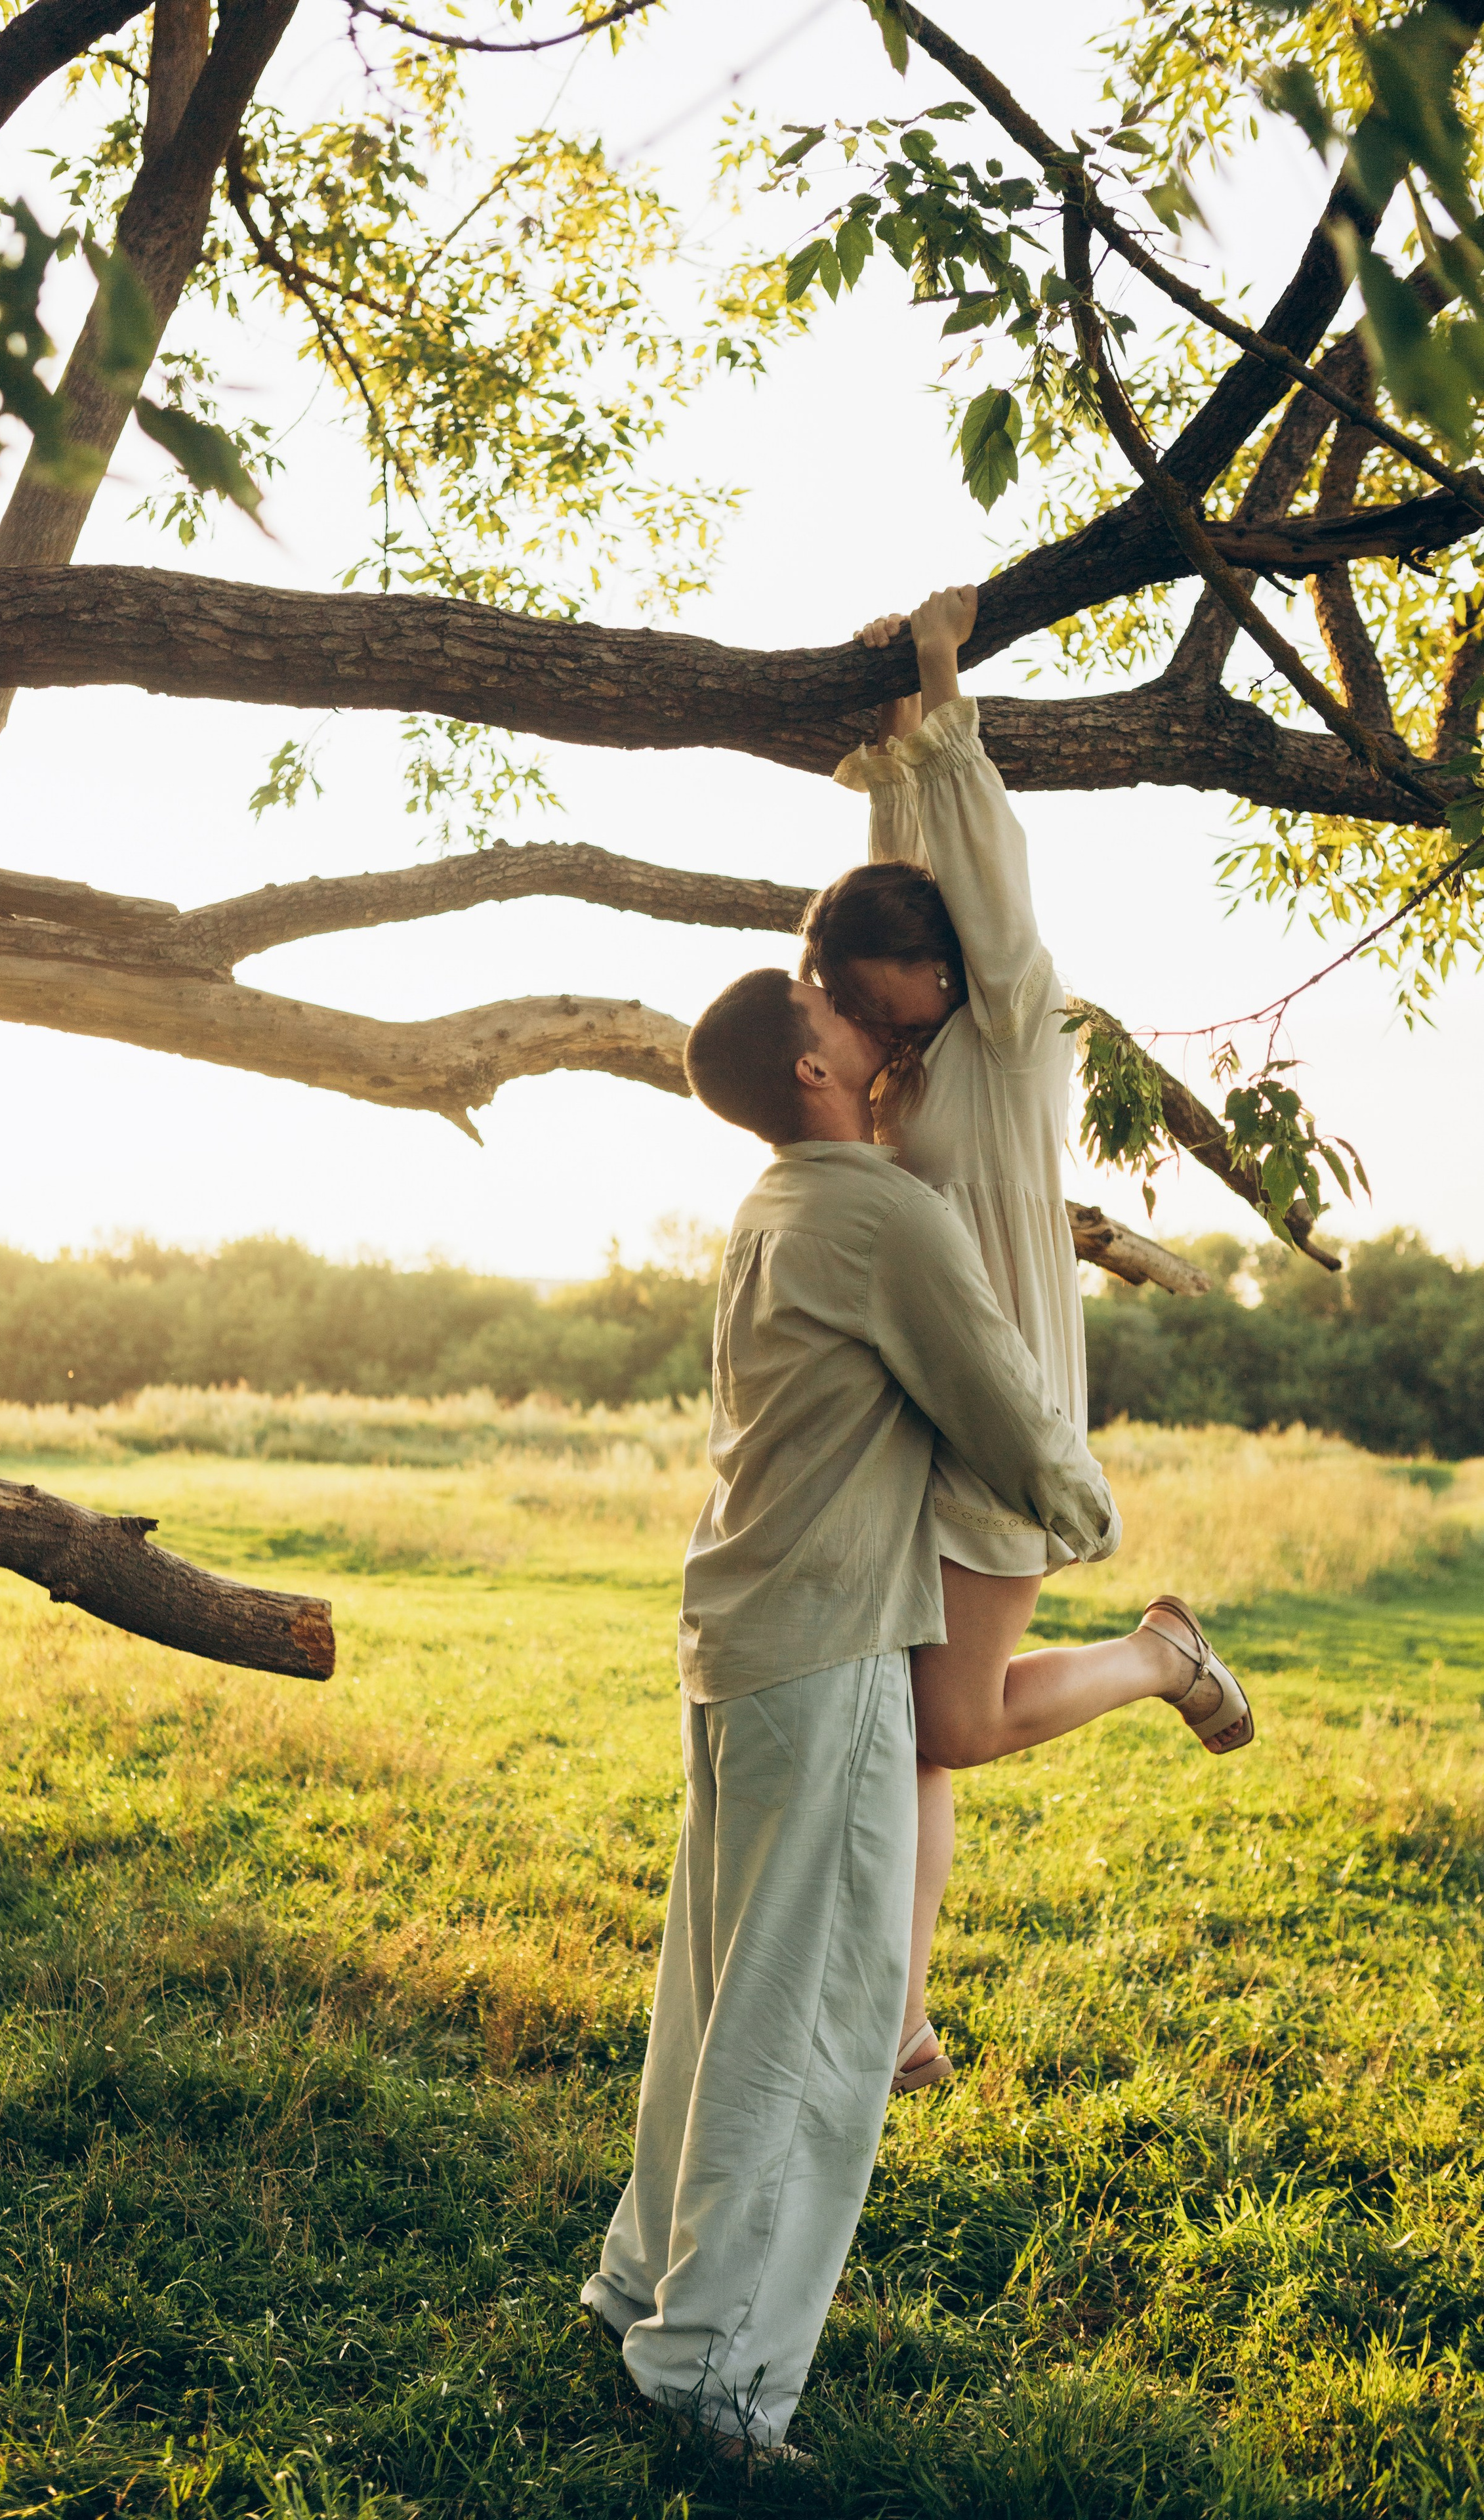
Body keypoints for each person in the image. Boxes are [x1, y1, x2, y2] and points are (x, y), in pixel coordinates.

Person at [582, 961, 1121, 2460]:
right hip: (821, 1643)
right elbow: (1003, 1403)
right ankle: (714, 2380)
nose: (868, 1028)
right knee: (807, 2025)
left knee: (710, 1996)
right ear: (813, 1074)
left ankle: (640, 2287)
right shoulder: (877, 1213)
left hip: (738, 1627)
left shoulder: (770, 1206)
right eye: (837, 1018)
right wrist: (1085, 1517)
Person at [808, 587, 1254, 2098]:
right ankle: (900, 2028)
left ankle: (1157, 1654)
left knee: (956, 1719)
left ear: (947, 979)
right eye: (866, 1018)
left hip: (1004, 1415)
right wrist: (889, 761)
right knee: (916, 1742)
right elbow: (900, 902)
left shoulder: (1008, 1029)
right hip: (912, 1419)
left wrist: (942, 688)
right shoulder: (927, 1041)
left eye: (890, 1009)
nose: (881, 1038)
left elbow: (975, 889)